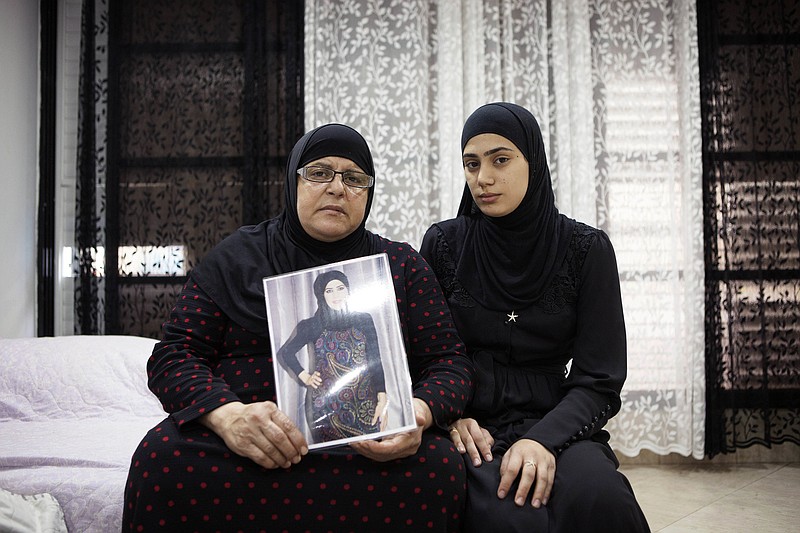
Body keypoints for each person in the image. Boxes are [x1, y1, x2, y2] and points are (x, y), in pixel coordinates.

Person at [123, 123, 474, 532]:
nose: (337, 188)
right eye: (320, 172)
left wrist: (417, 413)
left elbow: (450, 364)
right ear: (293, 182)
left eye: (354, 179)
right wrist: (228, 416)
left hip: (366, 443)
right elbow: (174, 355)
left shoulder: (402, 267)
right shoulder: (238, 257)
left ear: (369, 193)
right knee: (159, 459)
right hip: (245, 441)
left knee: (440, 469)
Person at [420, 102, 649, 532]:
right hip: (470, 426)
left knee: (599, 496)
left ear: (534, 161)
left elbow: (599, 380)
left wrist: (542, 439)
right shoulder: (444, 244)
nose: (482, 178)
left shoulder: (586, 250)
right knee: (509, 513)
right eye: (471, 164)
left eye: (500, 160)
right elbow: (421, 353)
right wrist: (447, 415)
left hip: (557, 419)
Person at [276, 270, 389, 443]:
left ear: (348, 290)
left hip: (366, 401)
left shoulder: (364, 319)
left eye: (340, 288)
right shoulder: (312, 325)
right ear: (322, 295)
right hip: (325, 408)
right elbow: (286, 352)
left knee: (374, 454)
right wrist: (305, 376)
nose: (336, 295)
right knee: (334, 461)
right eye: (329, 291)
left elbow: (375, 357)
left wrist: (382, 394)